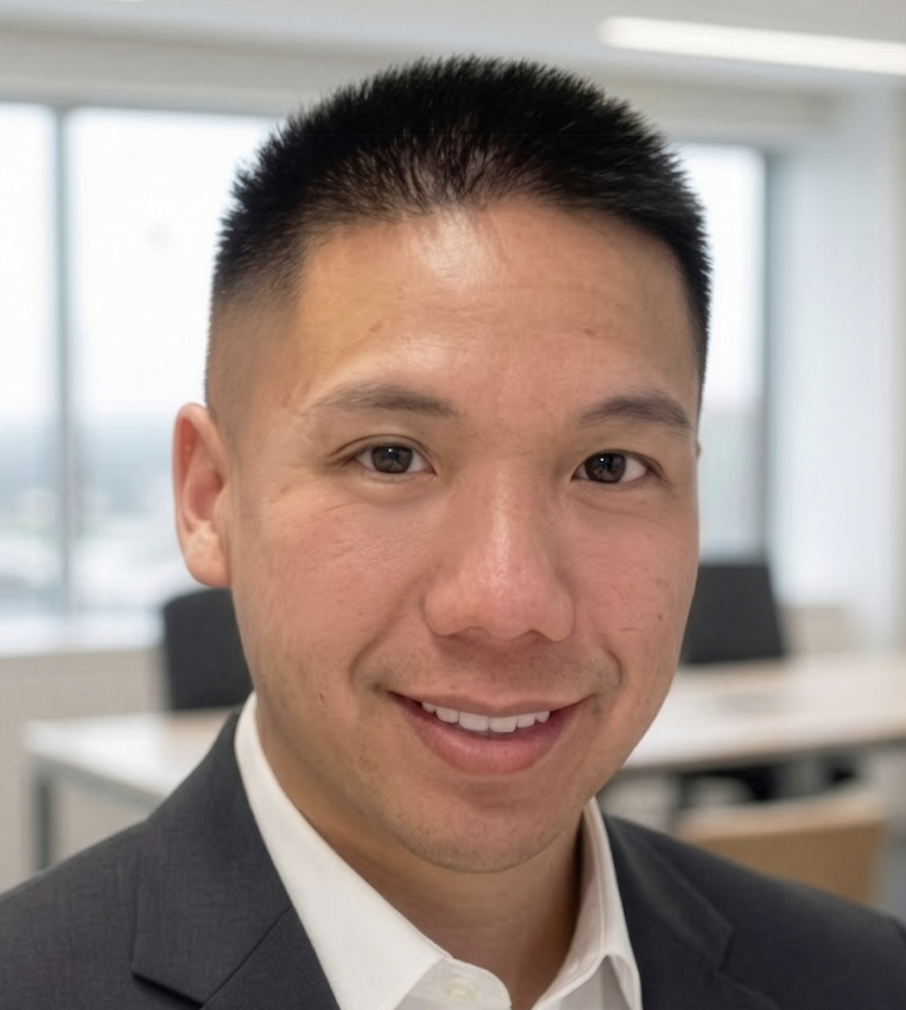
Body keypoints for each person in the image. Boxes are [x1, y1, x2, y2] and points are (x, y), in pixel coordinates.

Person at [1, 55, 904, 1010]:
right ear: (209, 498)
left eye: (610, 466)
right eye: (390, 456)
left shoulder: (864, 977)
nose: (509, 602)